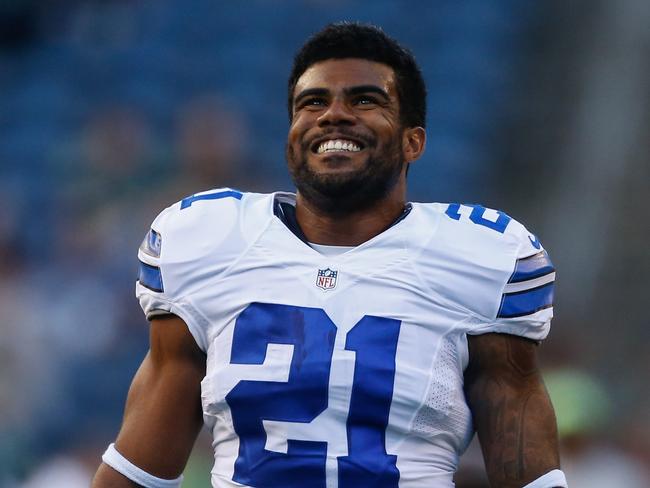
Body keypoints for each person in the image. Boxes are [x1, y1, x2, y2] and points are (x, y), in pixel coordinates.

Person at [92, 22, 566, 488]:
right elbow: (140, 469)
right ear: (292, 134)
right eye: (313, 102)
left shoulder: (479, 258)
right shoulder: (209, 243)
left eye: (364, 99)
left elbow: (528, 478)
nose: (333, 114)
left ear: (412, 141)